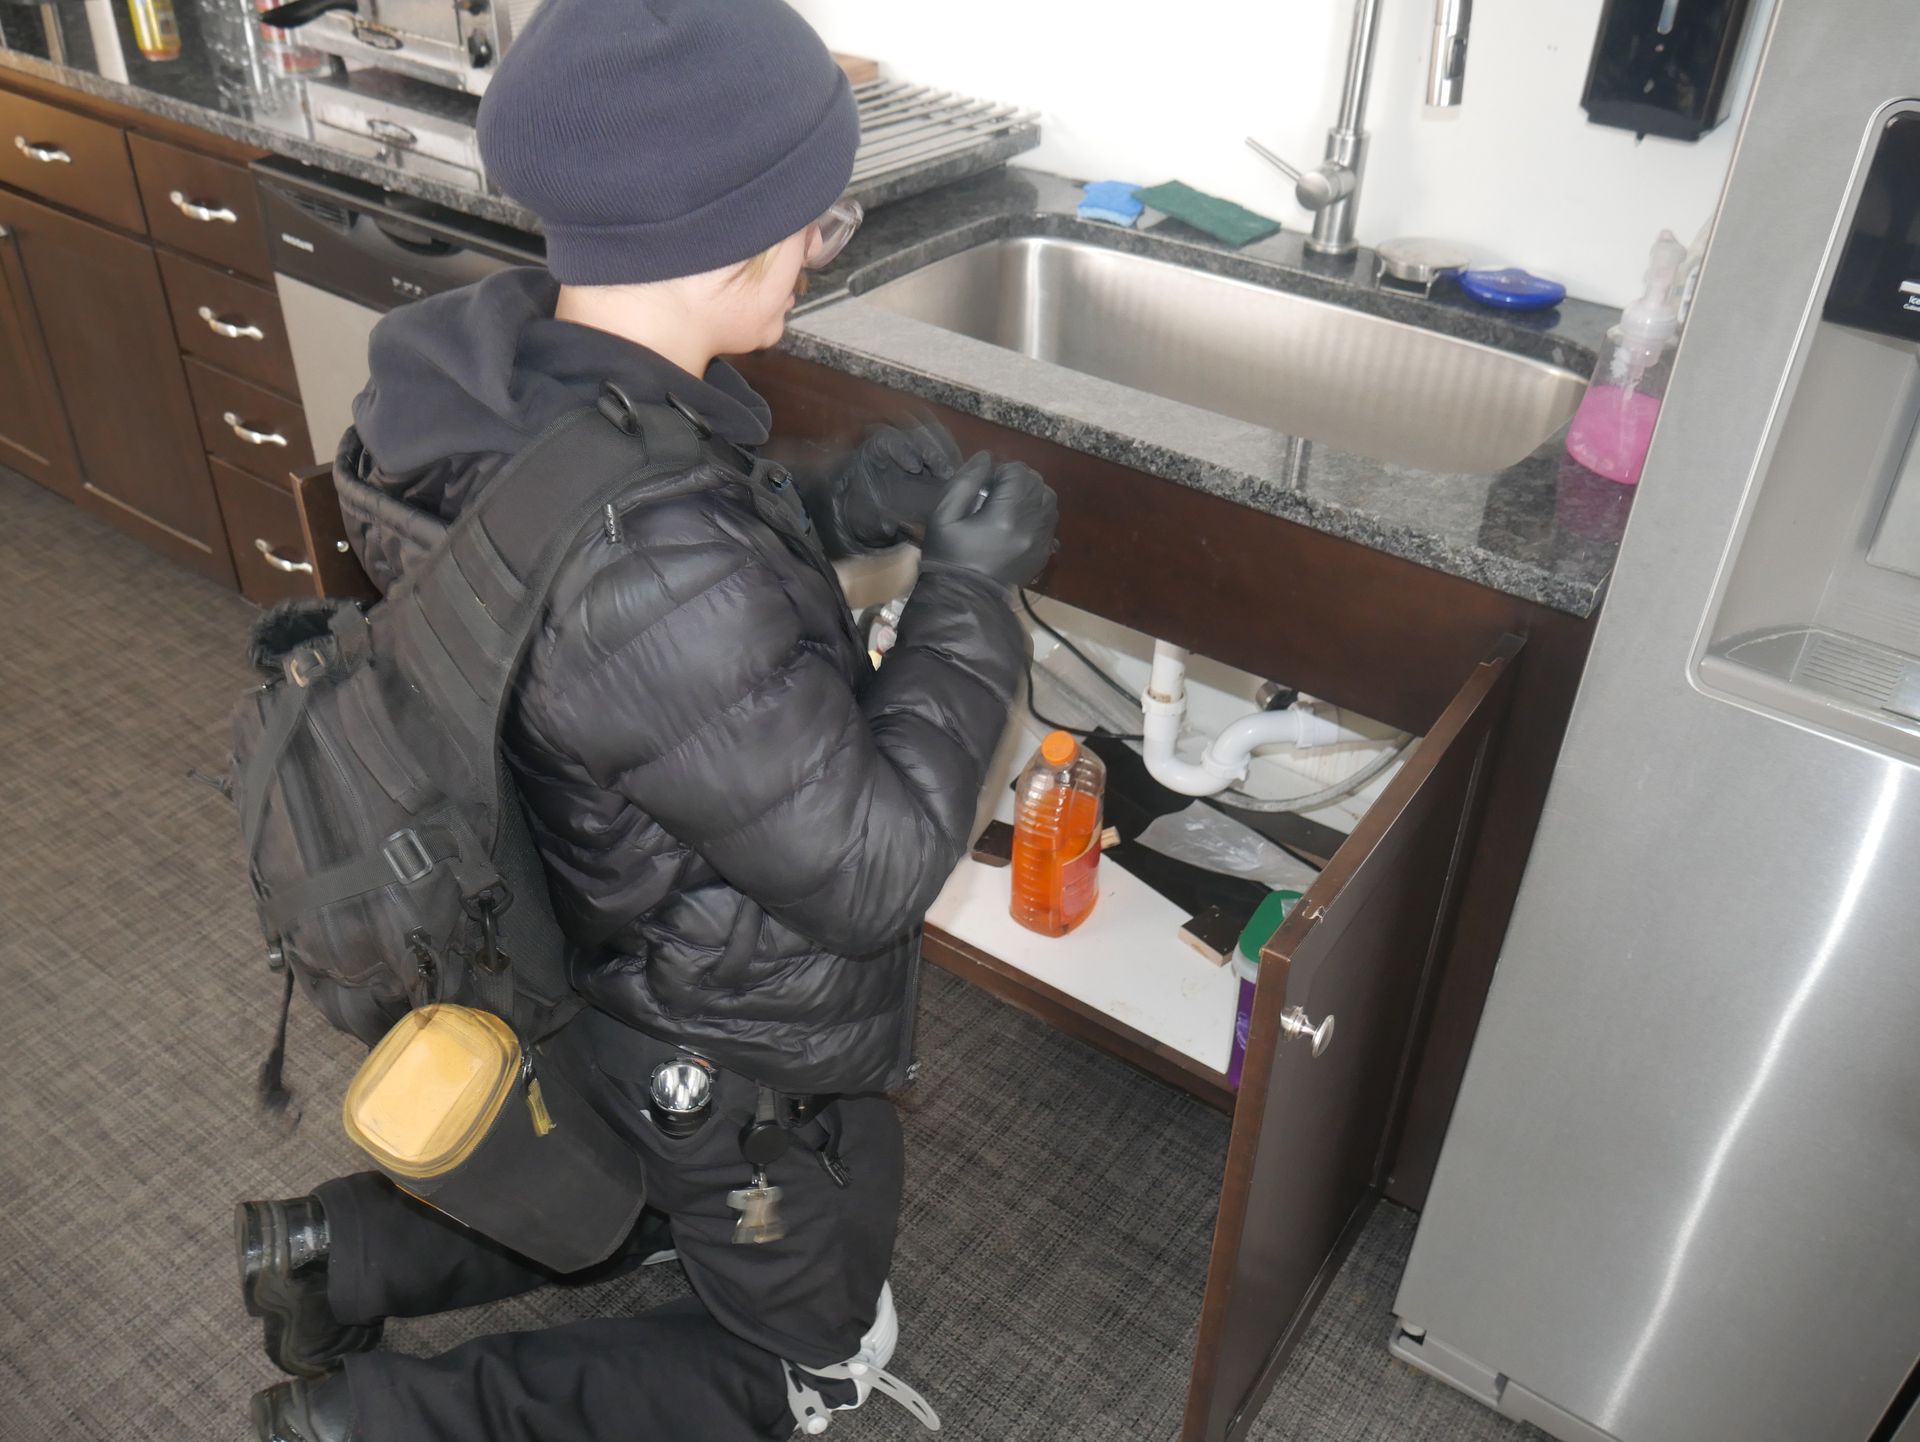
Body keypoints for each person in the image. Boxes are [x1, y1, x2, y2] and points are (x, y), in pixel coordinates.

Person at [234, 1, 1058, 1439]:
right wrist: (971, 598)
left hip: (586, 954)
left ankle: (332, 1252)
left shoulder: (496, 389)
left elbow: (615, 601)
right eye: (823, 224)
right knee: (815, 1356)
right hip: (726, 1035)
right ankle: (373, 1424)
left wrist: (832, 501)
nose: (821, 252)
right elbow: (872, 863)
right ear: (734, 236)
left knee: (631, 1177)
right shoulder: (657, 566)